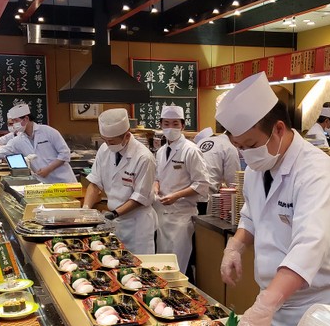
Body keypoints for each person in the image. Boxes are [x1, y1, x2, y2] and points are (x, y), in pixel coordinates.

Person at [216, 71, 330, 326]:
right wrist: (235, 245)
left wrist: (263, 305)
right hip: (277, 308)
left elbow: (309, 248)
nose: (245, 154)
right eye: (239, 147)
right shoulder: (256, 168)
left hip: (322, 312)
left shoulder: (315, 172)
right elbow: (251, 215)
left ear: (279, 129)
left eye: (250, 144)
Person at [82, 108, 157, 254]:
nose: (108, 144)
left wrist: (114, 213)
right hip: (114, 220)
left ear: (127, 136)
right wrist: (85, 211)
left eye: (111, 141)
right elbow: (94, 183)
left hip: (137, 224)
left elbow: (139, 197)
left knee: (138, 266)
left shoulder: (144, 158)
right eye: (105, 140)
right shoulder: (105, 149)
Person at [154, 104, 209, 273]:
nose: (171, 128)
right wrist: (155, 188)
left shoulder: (191, 151)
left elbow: (202, 183)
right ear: (161, 125)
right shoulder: (161, 151)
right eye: (167, 123)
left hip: (181, 216)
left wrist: (176, 196)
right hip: (162, 214)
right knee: (161, 262)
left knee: (177, 265)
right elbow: (157, 177)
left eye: (175, 124)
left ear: (183, 125)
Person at [0, 103, 76, 183]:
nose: (13, 125)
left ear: (26, 119)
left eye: (15, 121)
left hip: (64, 181)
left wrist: (48, 169)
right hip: (44, 184)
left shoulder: (48, 132)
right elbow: (0, 152)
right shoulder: (19, 139)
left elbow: (65, 154)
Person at [194, 126, 240, 214]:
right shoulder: (229, 148)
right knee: (203, 226)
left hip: (188, 195)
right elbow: (234, 183)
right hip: (205, 199)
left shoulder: (202, 141)